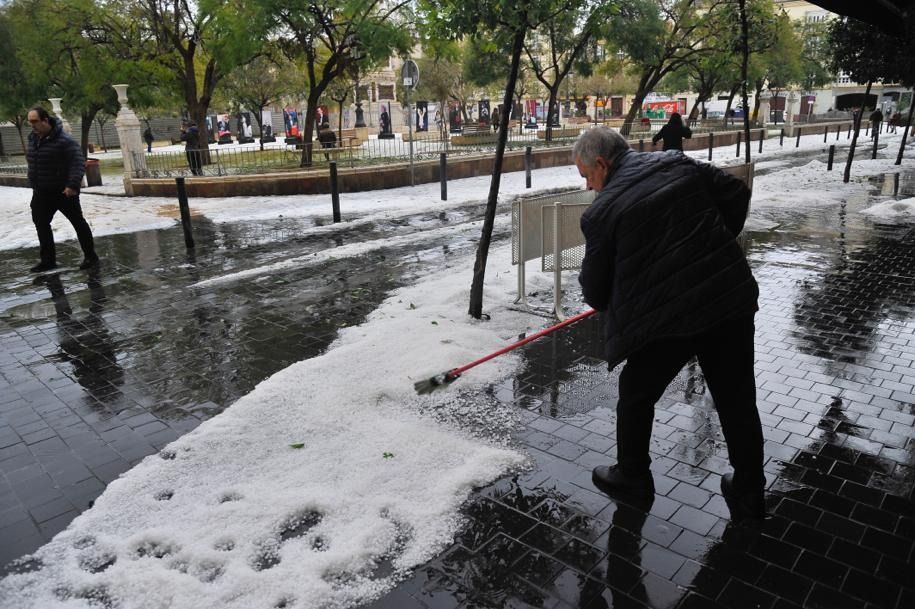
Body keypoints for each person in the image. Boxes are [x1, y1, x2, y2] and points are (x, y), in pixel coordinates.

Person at [573, 127, 765, 522]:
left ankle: (632, 476)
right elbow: (735, 192)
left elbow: (594, 291)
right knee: (737, 398)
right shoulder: (676, 161)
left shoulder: (603, 212)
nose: (588, 186)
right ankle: (749, 487)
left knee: (636, 393)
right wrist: (711, 248)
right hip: (727, 299)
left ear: (602, 164)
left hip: (667, 320)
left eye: (586, 176)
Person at [25, 106, 99, 273]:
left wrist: (72, 185)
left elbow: (77, 162)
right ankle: (48, 260)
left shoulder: (64, 140)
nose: (32, 125)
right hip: (41, 192)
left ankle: (91, 256)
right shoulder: (33, 139)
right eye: (30, 122)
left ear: (45, 120)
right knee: (41, 224)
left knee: (78, 223)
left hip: (63, 192)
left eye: (35, 121)